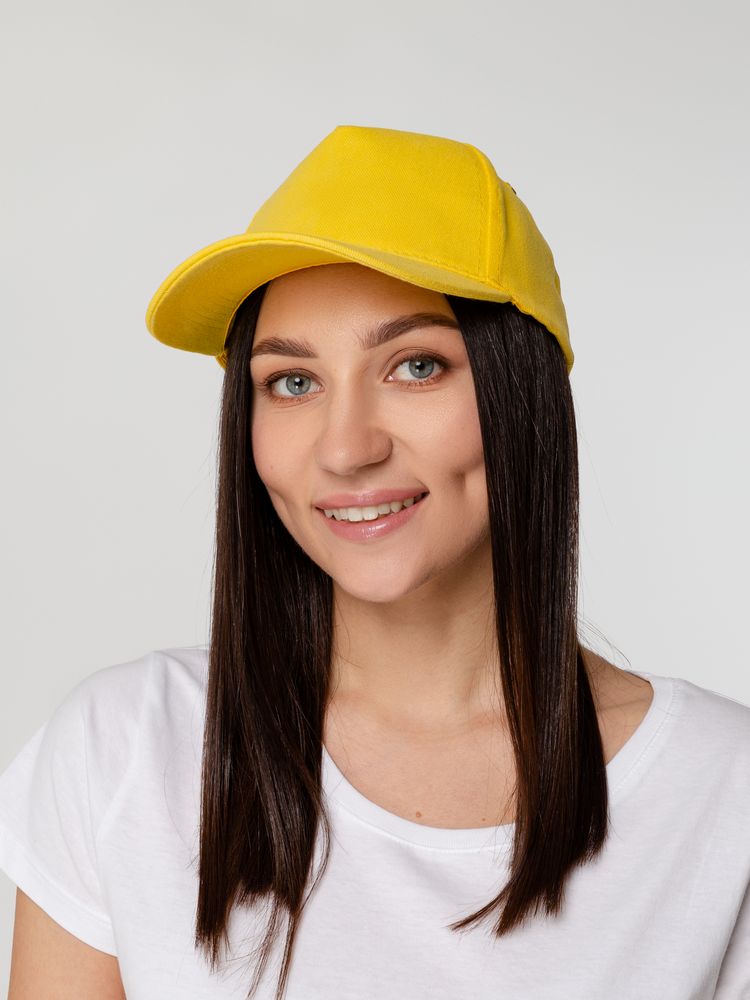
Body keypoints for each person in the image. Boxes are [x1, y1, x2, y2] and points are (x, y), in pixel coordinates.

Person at [0, 124, 748, 1000]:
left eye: (416, 366)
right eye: (292, 382)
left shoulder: (723, 789)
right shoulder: (125, 750)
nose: (346, 449)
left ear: (524, 393)